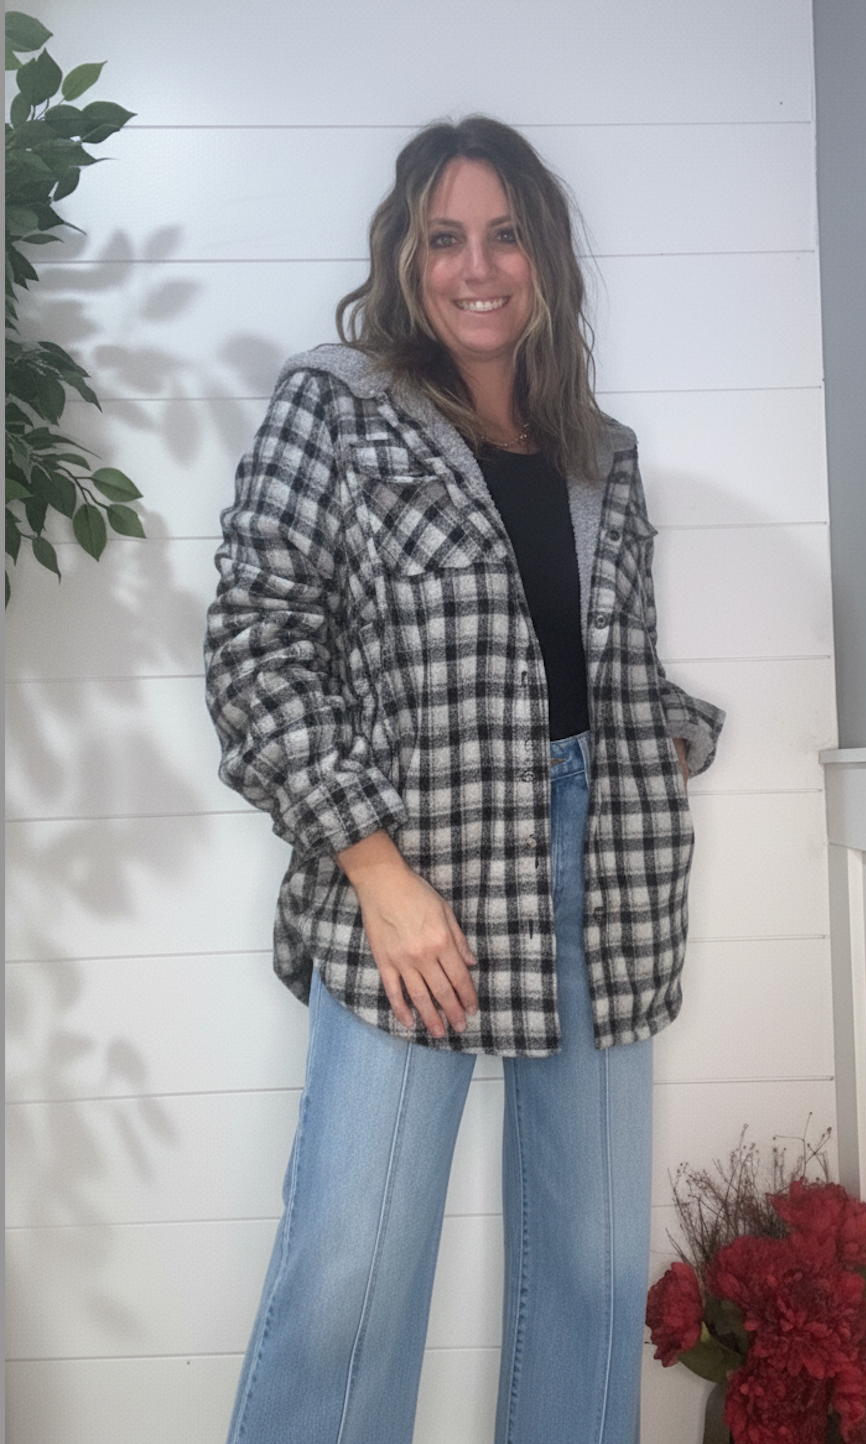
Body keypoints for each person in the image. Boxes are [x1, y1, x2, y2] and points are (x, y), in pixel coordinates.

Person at [205, 115, 724, 1444]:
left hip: (597, 868)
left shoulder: (599, 451)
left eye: (503, 235)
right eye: (445, 237)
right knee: (353, 1277)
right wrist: (376, 874)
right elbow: (256, 654)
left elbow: (600, 665)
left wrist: (671, 728)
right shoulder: (336, 404)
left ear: (543, 256)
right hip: (414, 863)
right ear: (406, 257)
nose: (475, 265)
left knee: (596, 1270)